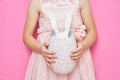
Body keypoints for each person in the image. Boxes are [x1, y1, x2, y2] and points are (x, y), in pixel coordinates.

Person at [23, 0, 97, 79]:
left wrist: (83, 46)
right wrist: (40, 48)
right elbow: (26, 35)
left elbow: (92, 32)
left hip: (76, 59)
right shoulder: (38, 2)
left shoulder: (81, 1)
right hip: (47, 59)